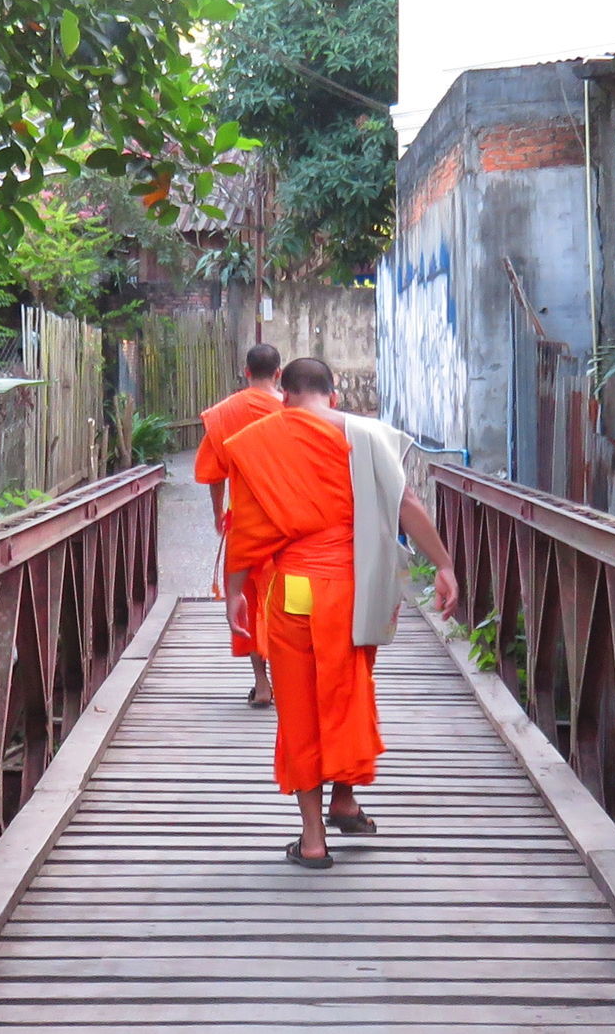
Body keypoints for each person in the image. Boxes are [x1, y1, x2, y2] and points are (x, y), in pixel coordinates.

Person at [224, 356, 459, 869]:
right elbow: (407, 503)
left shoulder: (261, 441)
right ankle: (345, 799)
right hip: (351, 592)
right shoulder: (364, 434)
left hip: (293, 593)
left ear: (283, 393)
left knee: (299, 708)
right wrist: (442, 565)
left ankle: (313, 839)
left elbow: (242, 528)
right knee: (347, 689)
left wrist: (234, 592)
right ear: (333, 394)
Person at [195, 342, 283, 707]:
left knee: (247, 599)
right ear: (278, 373)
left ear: (246, 372)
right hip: (289, 521)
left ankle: (262, 684)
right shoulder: (291, 410)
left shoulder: (225, 413)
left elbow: (212, 472)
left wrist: (219, 513)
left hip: (246, 520)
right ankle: (290, 676)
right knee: (283, 597)